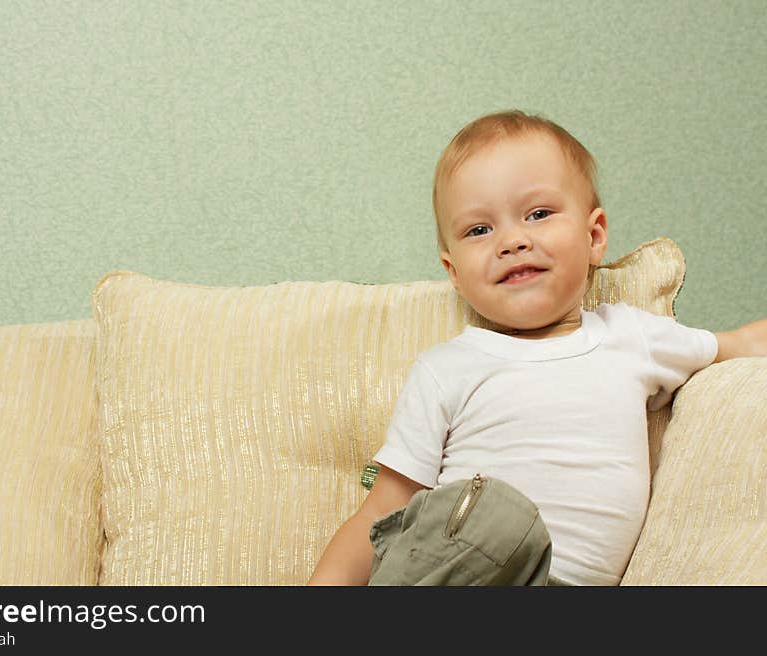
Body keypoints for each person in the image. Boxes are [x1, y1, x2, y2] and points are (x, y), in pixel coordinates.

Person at [308, 109, 767, 586]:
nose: (512, 241)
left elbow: (745, 343)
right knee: (499, 516)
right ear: (454, 273)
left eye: (539, 214)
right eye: (479, 230)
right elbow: (384, 506)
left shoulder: (634, 337)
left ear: (593, 237)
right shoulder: (447, 369)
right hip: (454, 575)